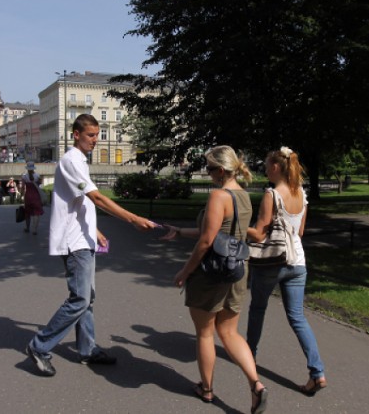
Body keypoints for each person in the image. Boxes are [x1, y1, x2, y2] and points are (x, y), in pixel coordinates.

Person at [25, 113, 157, 376]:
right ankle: (39, 346)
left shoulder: (81, 161)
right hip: (74, 242)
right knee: (80, 299)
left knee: (87, 299)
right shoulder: (72, 160)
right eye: (91, 135)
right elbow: (97, 198)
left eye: (97, 135)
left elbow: (80, 201)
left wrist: (93, 229)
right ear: (76, 134)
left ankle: (87, 349)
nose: (96, 140)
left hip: (83, 238)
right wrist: (133, 219)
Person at [161, 146, 268, 414]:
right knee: (230, 332)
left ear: (221, 170)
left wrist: (184, 272)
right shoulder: (244, 196)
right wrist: (180, 232)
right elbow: (220, 233)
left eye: (209, 169)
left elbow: (208, 241)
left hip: (210, 273)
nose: (207, 174)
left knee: (205, 333)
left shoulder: (219, 196)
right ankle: (256, 384)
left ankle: (207, 389)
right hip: (236, 271)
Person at [246, 147, 327, 397]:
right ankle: (317, 373)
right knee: (298, 318)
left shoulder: (272, 194)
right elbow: (299, 232)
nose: (265, 169)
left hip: (272, 263)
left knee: (258, 309)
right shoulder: (301, 194)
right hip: (298, 263)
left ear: (276, 167)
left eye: (267, 164)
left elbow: (260, 233)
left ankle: (250, 357)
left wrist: (236, 226)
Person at [21, 164, 44, 235]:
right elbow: (40, 184)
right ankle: (35, 230)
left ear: (27, 169)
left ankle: (27, 228)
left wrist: (21, 195)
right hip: (36, 196)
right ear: (34, 168)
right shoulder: (37, 175)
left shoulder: (24, 176)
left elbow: (22, 187)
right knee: (36, 213)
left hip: (28, 196)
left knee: (27, 213)